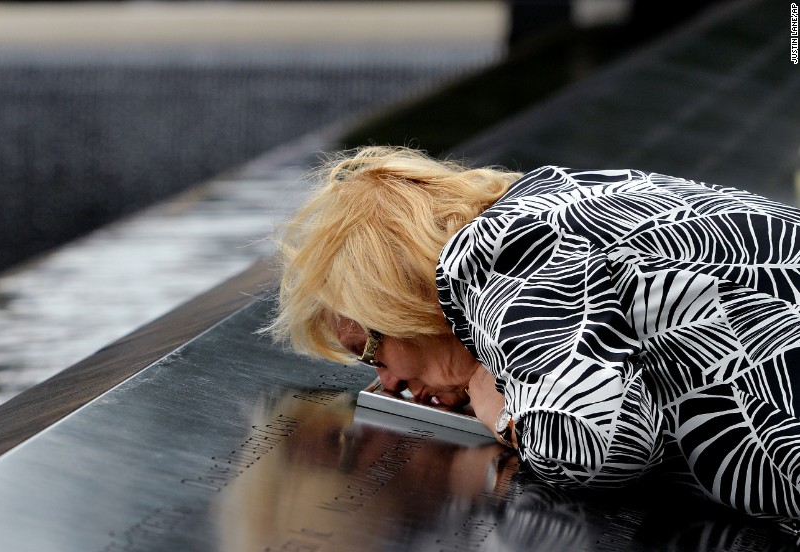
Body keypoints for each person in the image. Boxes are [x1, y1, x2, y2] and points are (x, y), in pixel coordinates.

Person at [265, 145, 800, 536]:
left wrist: (499, 406)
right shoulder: (552, 200)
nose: (389, 383)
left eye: (369, 351)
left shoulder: (489, 266)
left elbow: (602, 447)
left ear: (397, 299)